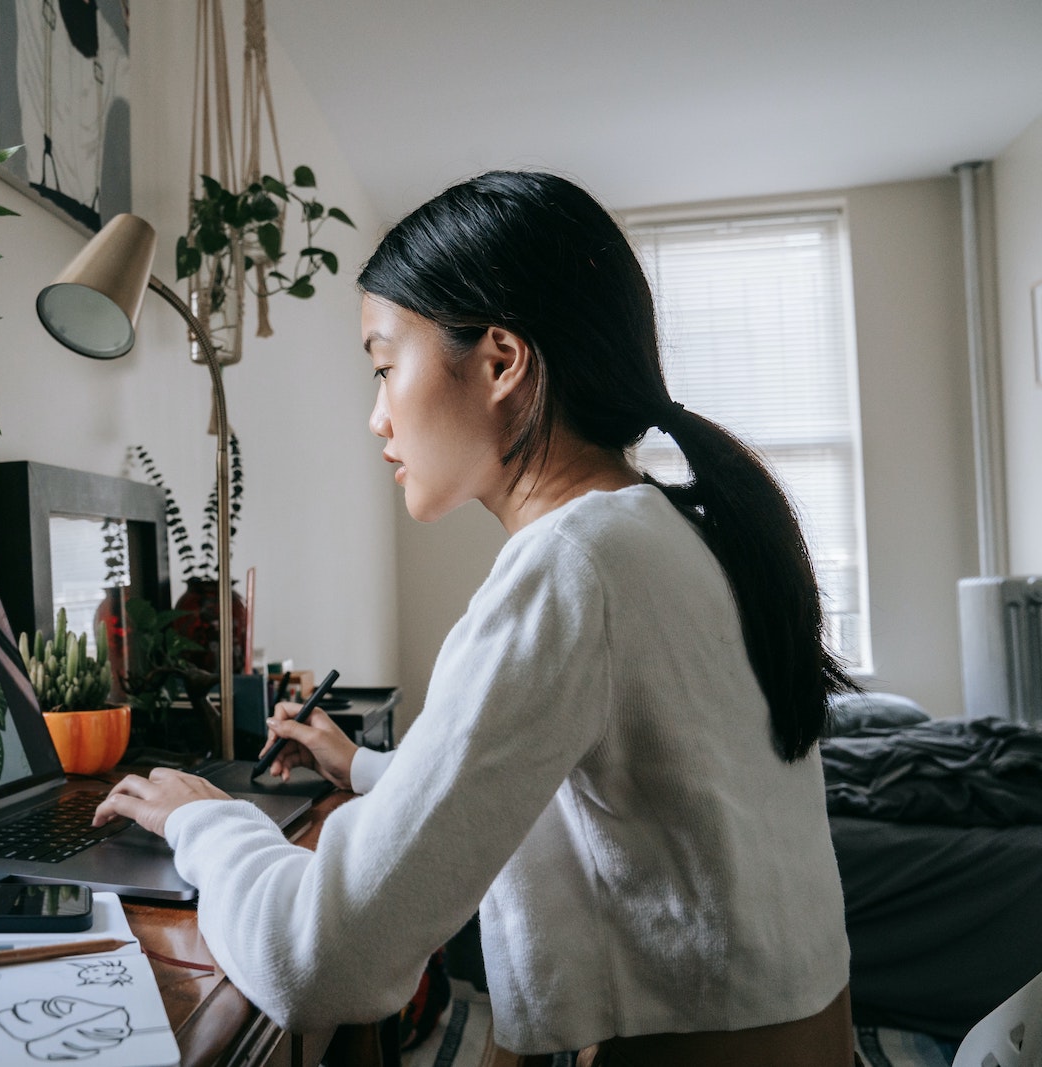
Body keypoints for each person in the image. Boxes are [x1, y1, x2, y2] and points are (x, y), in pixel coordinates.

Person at [93, 171, 857, 1065]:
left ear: (501, 360)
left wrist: (203, 819)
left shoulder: (572, 567)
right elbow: (554, 777)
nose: (376, 416)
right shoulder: (665, 533)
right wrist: (371, 765)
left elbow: (315, 962)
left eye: (384, 366)